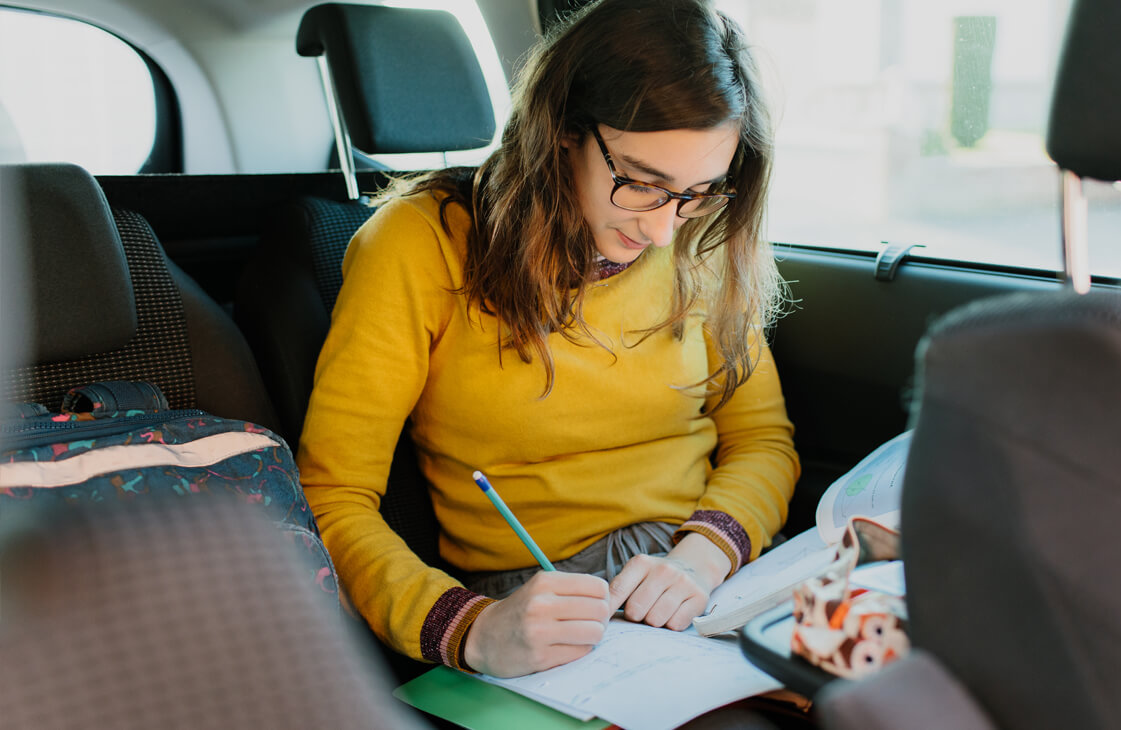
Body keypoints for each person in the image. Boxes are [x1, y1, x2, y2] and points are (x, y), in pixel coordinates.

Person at [297, 0, 799, 680]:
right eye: (642, 183)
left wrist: (704, 553)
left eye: (699, 192)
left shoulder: (701, 241)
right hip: (544, 598)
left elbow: (762, 440)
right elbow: (331, 498)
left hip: (713, 566)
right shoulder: (415, 247)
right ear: (562, 129)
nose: (663, 233)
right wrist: (467, 628)